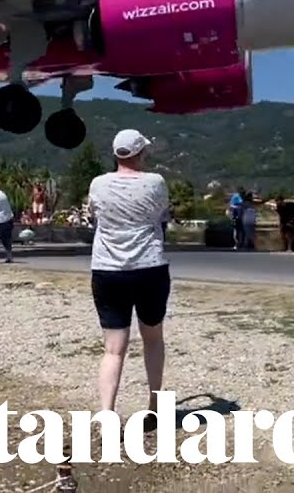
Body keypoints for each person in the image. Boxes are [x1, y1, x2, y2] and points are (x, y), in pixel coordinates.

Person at [87, 128, 171, 421]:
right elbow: (162, 216)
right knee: (153, 338)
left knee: (113, 349)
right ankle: (154, 406)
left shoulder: (98, 184)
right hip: (149, 266)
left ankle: (107, 413)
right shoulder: (155, 183)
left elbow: (94, 216)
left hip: (108, 269)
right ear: (140, 153)